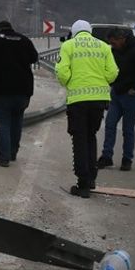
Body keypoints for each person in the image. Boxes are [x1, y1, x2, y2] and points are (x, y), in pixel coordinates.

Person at [55, 19, 119, 197]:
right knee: (91, 137)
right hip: (99, 100)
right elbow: (113, 73)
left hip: (78, 100)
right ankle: (91, 178)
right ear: (89, 31)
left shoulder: (69, 46)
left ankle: (82, 183)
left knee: (79, 139)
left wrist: (68, 83)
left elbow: (62, 72)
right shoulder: (104, 47)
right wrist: (101, 82)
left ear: (75, 32)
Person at [0, 19, 39, 167]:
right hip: (22, 91)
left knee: (2, 123)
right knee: (17, 121)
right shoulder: (24, 40)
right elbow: (34, 58)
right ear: (12, 28)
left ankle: (4, 157)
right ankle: (13, 153)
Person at [97, 27, 135, 172]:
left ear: (122, 39)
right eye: (110, 43)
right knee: (110, 124)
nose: (112, 45)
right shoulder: (114, 51)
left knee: (127, 129)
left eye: (114, 43)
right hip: (116, 94)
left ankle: (127, 159)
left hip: (131, 96)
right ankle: (106, 156)